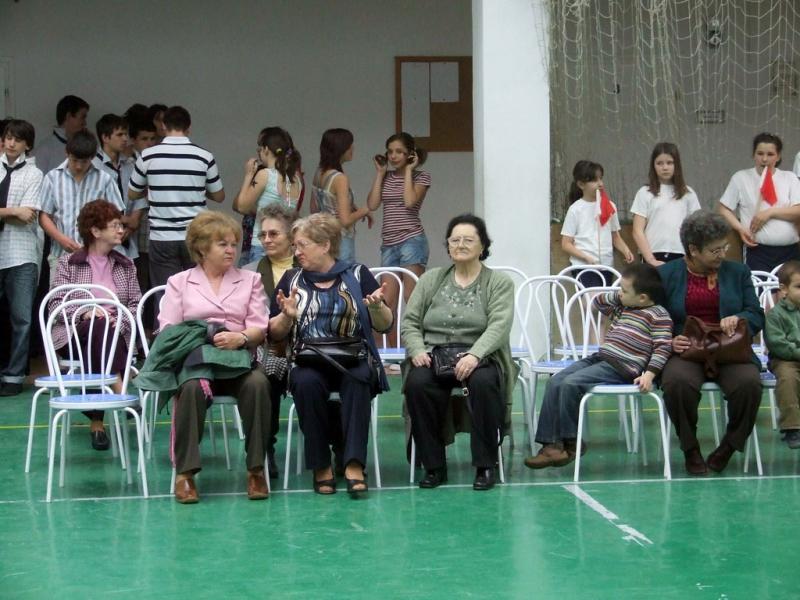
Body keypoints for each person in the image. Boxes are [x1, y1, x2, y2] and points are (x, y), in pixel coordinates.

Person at [269, 213, 391, 495]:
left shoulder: (358, 274)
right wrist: (287, 317)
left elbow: (385, 325)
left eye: (302, 245)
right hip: (308, 359)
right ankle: (321, 464)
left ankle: (353, 463)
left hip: (352, 356)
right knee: (306, 383)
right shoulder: (291, 279)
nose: (296, 252)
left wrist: (376, 308)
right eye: (295, 246)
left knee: (359, 379)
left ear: (325, 245)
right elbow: (273, 333)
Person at [155, 211, 271, 504]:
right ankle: (185, 474)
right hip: (197, 362)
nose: (231, 250)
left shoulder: (251, 280)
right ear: (202, 248)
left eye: (233, 244)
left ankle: (256, 469)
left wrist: (240, 337)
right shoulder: (179, 282)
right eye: (222, 244)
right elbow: (168, 331)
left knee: (258, 384)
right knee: (190, 388)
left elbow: (259, 327)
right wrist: (204, 335)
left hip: (238, 360)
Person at [402, 214, 518, 491]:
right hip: (435, 353)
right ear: (448, 245)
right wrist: (417, 349)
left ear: (482, 246)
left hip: (481, 356)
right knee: (417, 383)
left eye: (468, 240)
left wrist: (475, 355)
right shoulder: (430, 279)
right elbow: (410, 322)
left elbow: (499, 326)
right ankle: (433, 466)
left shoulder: (498, 282)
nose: (460, 245)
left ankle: (485, 465)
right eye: (455, 240)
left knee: (484, 383)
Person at [524, 263, 673, 469]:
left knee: (571, 383)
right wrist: (620, 294)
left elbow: (662, 347)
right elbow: (598, 302)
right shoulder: (624, 306)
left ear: (642, 298)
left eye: (624, 291)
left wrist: (649, 374)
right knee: (555, 381)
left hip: (622, 366)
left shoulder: (659, 315)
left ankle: (571, 443)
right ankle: (550, 445)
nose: (618, 293)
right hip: (601, 357)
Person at [659, 210, 764, 475]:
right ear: (693, 250)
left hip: (730, 348)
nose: (722, 255)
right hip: (687, 349)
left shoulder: (738, 272)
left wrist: (739, 318)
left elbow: (756, 314)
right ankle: (690, 448)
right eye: (715, 250)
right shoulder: (666, 274)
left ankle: (729, 446)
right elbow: (653, 316)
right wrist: (670, 340)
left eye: (724, 248)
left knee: (749, 384)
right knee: (677, 383)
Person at [48, 200, 141, 450]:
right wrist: (85, 312)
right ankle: (121, 391)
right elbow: (55, 303)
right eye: (115, 226)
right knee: (97, 324)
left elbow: (136, 304)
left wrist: (121, 319)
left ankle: (97, 422)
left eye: (121, 225)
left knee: (103, 329)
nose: (121, 230)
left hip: (117, 334)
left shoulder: (126, 265)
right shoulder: (68, 263)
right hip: (74, 336)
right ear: (96, 231)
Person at [128, 106, 225, 292]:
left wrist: (154, 187)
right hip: (196, 235)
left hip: (161, 237)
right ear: (189, 127)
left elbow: (132, 193)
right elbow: (219, 196)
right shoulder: (204, 156)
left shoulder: (147, 156)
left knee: (165, 293)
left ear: (164, 126)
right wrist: (197, 188)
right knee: (198, 292)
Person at [242, 203, 300, 478]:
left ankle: (334, 446)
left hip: (305, 344)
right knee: (266, 373)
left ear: (291, 237)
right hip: (267, 346)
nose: (266, 240)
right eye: (262, 234)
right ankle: (265, 448)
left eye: (274, 234)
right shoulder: (250, 270)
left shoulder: (309, 265)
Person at [367, 132, 431, 345]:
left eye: (399, 152)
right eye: (390, 152)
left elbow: (410, 201)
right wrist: (380, 173)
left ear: (410, 154)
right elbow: (372, 204)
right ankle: (390, 351)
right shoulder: (386, 176)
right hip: (389, 243)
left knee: (411, 299)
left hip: (411, 239)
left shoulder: (421, 176)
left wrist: (410, 170)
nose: (393, 156)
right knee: (386, 300)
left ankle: (414, 348)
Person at [39, 131, 124, 283]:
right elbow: (44, 216)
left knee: (94, 297)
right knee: (60, 297)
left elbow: (117, 216)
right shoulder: (52, 178)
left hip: (98, 256)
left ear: (92, 157)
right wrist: (61, 239)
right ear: (67, 153)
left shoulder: (104, 179)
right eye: (74, 160)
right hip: (60, 254)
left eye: (84, 162)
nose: (78, 166)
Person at [0, 119, 44, 397]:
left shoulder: (34, 174)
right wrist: (12, 211)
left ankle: (14, 376)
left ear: (27, 144)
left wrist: (16, 212)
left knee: (22, 318)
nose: (11, 143)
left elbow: (29, 214)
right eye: (7, 137)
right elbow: (19, 213)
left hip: (22, 252)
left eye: (17, 139)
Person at [718, 132, 800, 273]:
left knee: (789, 287)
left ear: (778, 156)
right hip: (757, 251)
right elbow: (723, 208)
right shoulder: (741, 178)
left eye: (770, 154)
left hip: (789, 251)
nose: (764, 159)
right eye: (760, 153)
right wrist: (740, 228)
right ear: (753, 155)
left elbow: (797, 211)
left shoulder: (790, 178)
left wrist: (770, 213)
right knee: (759, 286)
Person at [233, 127, 302, 264]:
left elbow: (241, 206)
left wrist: (248, 175)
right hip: (285, 245)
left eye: (259, 149)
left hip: (263, 244)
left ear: (266, 149)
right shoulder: (296, 179)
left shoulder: (265, 175)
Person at [561, 160, 634, 288]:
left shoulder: (609, 206)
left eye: (601, 178)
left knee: (604, 298)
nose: (600, 183)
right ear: (581, 184)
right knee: (592, 297)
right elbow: (566, 244)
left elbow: (615, 236)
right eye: (594, 180)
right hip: (583, 266)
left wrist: (625, 250)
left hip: (606, 265)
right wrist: (585, 257)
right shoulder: (575, 209)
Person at [631, 142, 701, 266]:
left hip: (682, 255)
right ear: (653, 166)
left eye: (669, 163)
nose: (665, 167)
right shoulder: (644, 192)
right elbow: (637, 231)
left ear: (677, 165)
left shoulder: (688, 193)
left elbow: (696, 229)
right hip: (653, 254)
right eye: (659, 163)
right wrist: (650, 259)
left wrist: (692, 257)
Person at [311, 128, 372, 263]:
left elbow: (314, 209)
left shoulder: (319, 173)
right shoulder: (340, 178)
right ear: (341, 148)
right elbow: (345, 221)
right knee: (344, 273)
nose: (352, 148)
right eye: (350, 145)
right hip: (342, 240)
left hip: (325, 237)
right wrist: (365, 210)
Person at [92, 114, 146, 260]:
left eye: (126, 134)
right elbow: (93, 205)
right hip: (102, 239)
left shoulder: (130, 164)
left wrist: (132, 222)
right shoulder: (93, 166)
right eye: (120, 135)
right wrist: (125, 220)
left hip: (128, 241)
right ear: (105, 137)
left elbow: (139, 196)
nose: (125, 139)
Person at [764, 260, 800, 449]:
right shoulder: (775, 314)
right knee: (788, 379)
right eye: (799, 287)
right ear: (784, 289)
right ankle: (792, 427)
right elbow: (778, 344)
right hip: (785, 359)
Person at [33, 95, 89, 175]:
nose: (85, 123)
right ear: (68, 116)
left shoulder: (86, 147)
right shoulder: (45, 149)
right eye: (82, 117)